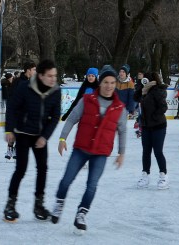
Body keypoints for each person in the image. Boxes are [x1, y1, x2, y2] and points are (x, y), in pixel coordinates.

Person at [50, 67, 126, 234]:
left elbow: (122, 131)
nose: (109, 86)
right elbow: (71, 120)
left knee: (91, 186)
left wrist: (121, 153)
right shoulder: (87, 99)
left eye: (113, 83)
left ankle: (81, 214)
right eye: (106, 82)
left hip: (101, 153)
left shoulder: (119, 107)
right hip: (81, 149)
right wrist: (62, 139)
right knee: (66, 180)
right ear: (101, 82)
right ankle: (59, 203)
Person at [3, 59, 61, 223]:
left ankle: (38, 204)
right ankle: (10, 204)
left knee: (42, 168)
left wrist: (45, 137)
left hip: (40, 135)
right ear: (40, 76)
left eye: (54, 75)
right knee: (21, 169)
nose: (53, 79)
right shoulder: (25, 87)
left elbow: (55, 117)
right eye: (49, 76)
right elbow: (12, 108)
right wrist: (10, 129)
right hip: (22, 133)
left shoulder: (55, 91)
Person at [135, 71, 167, 189]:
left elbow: (163, 107)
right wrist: (141, 87)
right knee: (146, 151)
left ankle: (163, 176)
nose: (145, 80)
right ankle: (145, 175)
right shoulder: (144, 91)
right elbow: (135, 97)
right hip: (146, 126)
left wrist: (153, 116)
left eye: (146, 79)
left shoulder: (158, 90)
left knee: (158, 151)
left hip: (158, 125)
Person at [5, 61, 37, 161]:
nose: (35, 72)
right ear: (28, 70)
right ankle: (10, 148)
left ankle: (15, 149)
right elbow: (12, 97)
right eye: (34, 70)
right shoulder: (18, 81)